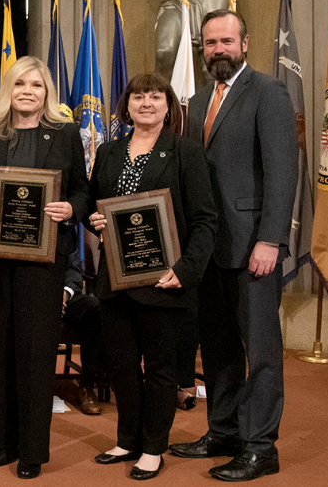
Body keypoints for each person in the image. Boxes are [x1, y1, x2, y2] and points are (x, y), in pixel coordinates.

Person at [169, 9, 298, 482]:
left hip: (253, 250)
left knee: (260, 350)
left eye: (226, 41)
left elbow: (284, 174)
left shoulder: (269, 93)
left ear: (245, 43)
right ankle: (223, 432)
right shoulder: (199, 101)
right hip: (209, 251)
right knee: (218, 349)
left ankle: (261, 447)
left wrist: (270, 239)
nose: (218, 49)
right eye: (210, 43)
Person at [0, 56, 90, 479]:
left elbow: (82, 190)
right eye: (20, 84)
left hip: (46, 261)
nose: (28, 92)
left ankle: (33, 449)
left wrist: (72, 207)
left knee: (36, 354)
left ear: (46, 92)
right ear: (8, 90)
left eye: (36, 85)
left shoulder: (66, 133)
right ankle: (2, 441)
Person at [87, 73, 216, 481]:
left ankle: (153, 447)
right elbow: (97, 208)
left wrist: (185, 271)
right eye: (138, 96)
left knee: (161, 368)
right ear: (126, 106)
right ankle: (127, 439)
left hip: (164, 282)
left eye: (155, 96)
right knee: (122, 366)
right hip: (115, 280)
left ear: (168, 106)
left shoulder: (185, 153)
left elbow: (204, 221)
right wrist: (94, 222)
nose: (146, 103)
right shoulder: (108, 153)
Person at [62, 248, 104, 416]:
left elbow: (74, 270)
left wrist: (64, 294)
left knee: (95, 308)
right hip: (30, 296)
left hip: (63, 295)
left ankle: (87, 386)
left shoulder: (64, 226)